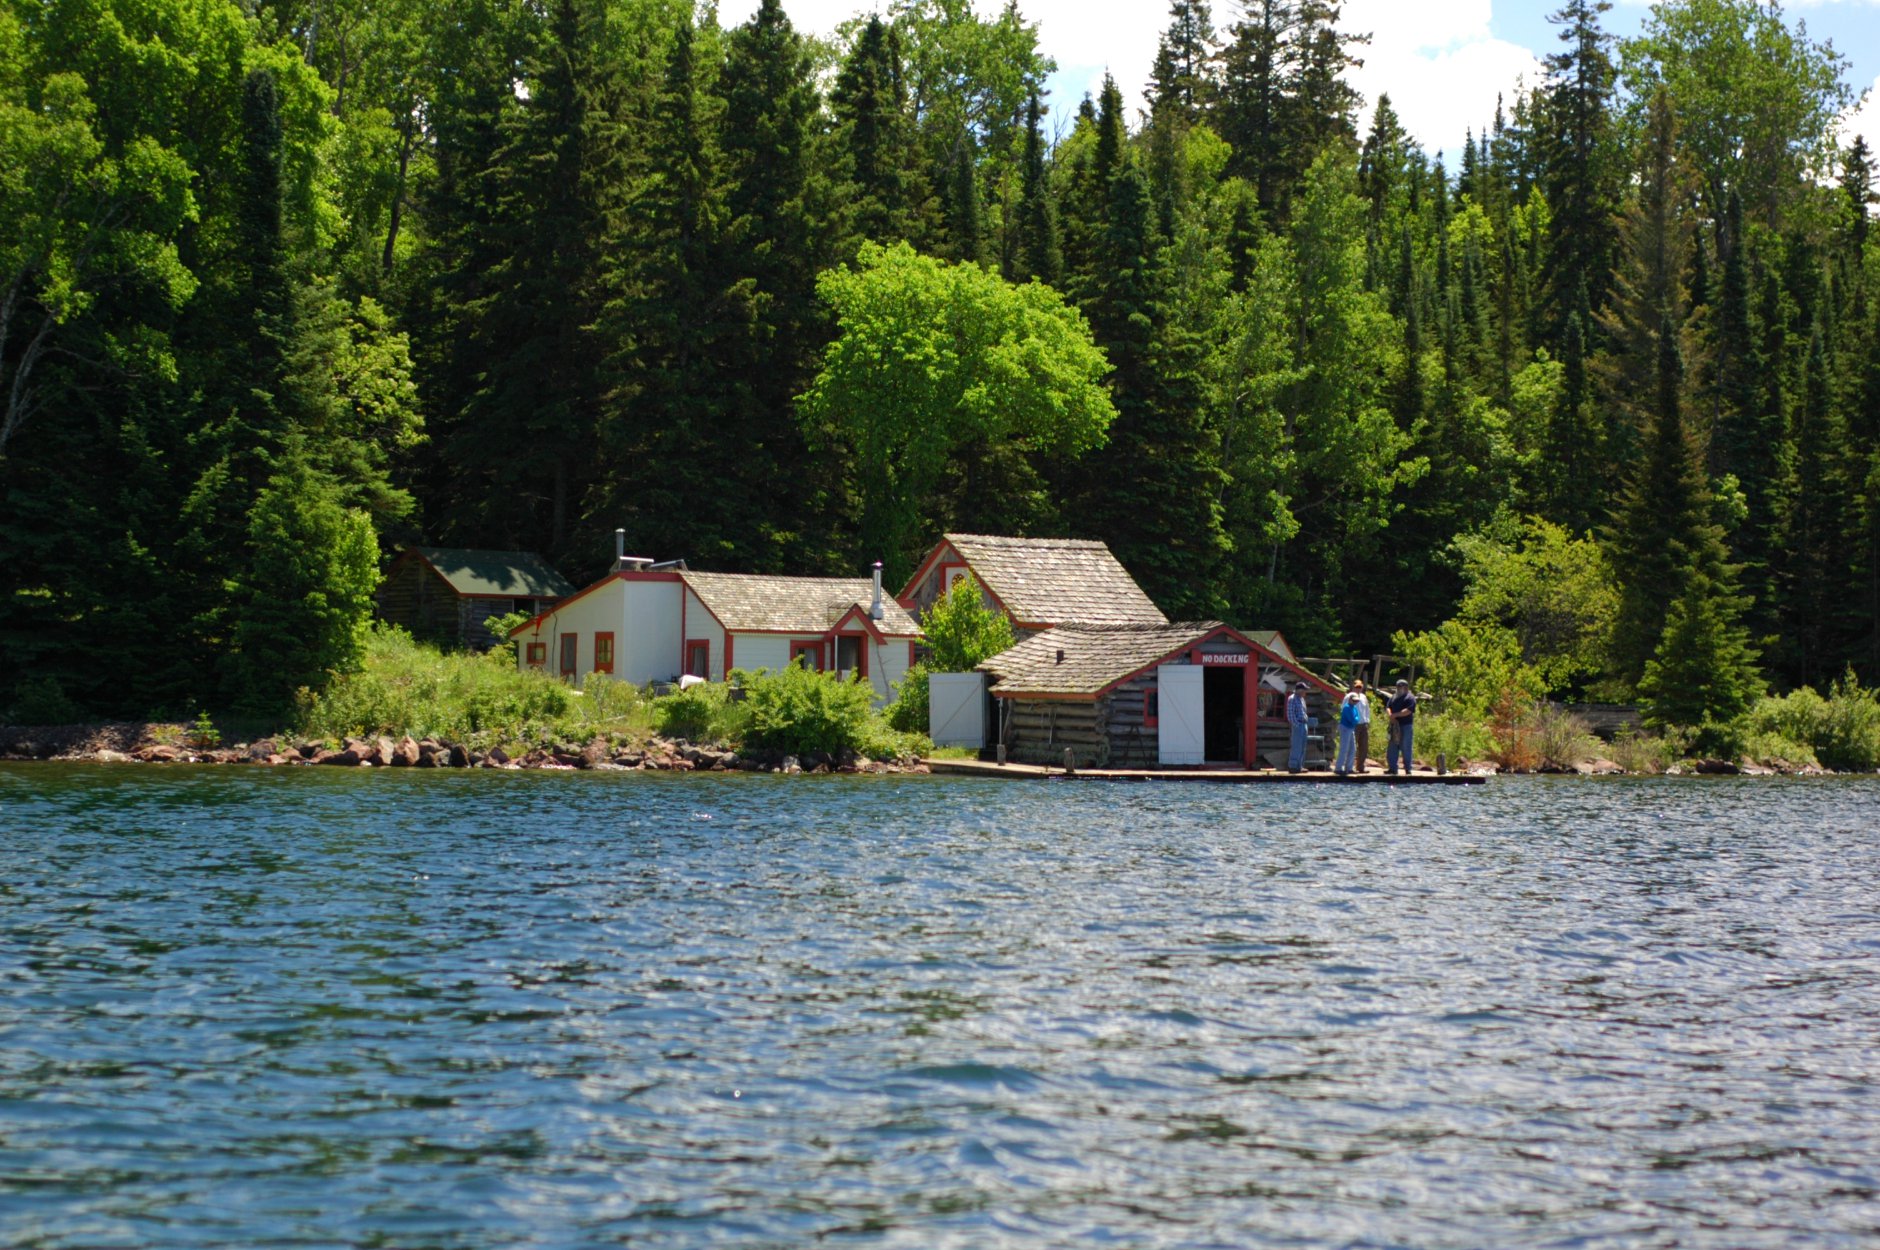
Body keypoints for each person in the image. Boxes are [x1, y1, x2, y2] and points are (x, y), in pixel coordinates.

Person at [1386, 678, 1417, 775]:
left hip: (1406, 725)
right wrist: (1390, 715)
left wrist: (1396, 715)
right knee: (1392, 746)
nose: (1398, 688)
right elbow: (1388, 707)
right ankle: (1392, 768)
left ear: (1406, 687)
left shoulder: (1410, 698)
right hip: (1394, 726)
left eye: (1401, 686)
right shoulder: (1393, 697)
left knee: (1406, 746)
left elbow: (1408, 711)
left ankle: (1408, 769)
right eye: (1397, 686)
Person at [1334, 687, 1365, 775]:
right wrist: (1356, 719)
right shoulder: (1346, 708)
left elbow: (1357, 718)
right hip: (1345, 728)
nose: (1355, 702)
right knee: (1344, 749)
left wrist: (1356, 719)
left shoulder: (1354, 708)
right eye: (1354, 700)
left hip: (1351, 729)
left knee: (1353, 748)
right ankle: (1338, 768)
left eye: (1357, 701)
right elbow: (1353, 719)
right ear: (1349, 699)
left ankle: (1349, 768)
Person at [1285, 681, 1310, 772]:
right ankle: (1293, 766)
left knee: (1303, 746)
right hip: (1298, 725)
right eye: (1304, 690)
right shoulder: (1292, 698)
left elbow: (1303, 712)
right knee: (1296, 746)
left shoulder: (1302, 699)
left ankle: (1299, 766)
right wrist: (1297, 725)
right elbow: (1290, 715)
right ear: (1299, 690)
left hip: (1304, 724)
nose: (1305, 692)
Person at [1351, 679, 1372, 773]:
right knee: (1352, 746)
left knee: (1364, 746)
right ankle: (1350, 766)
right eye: (1356, 687)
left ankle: (1360, 766)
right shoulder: (1349, 696)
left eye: (1360, 687)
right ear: (1353, 687)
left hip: (1363, 724)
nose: (1358, 689)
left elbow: (1367, 710)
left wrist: (1367, 721)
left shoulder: (1363, 697)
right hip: (1354, 724)